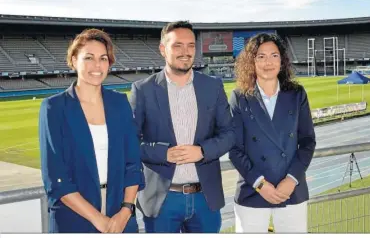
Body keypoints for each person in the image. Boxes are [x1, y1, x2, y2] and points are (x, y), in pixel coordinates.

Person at [129, 21, 235, 233]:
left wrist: (203, 151)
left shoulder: (212, 86)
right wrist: (163, 153)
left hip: (205, 198)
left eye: (190, 46)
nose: (185, 52)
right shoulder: (143, 89)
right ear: (163, 49)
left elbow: (230, 133)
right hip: (163, 200)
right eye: (177, 45)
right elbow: (131, 141)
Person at [39, 28, 144, 233]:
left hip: (121, 214)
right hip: (75, 217)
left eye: (103, 58)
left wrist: (126, 211)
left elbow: (133, 164)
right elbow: (55, 178)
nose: (97, 65)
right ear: (74, 60)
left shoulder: (119, 103)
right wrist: (99, 220)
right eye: (89, 58)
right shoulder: (54, 108)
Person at [229, 33, 316, 233]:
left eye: (274, 55)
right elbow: (234, 148)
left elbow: (308, 142)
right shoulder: (239, 97)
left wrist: (291, 179)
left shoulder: (297, 94)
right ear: (251, 62)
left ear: (282, 60)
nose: (268, 62)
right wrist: (260, 184)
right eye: (261, 56)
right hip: (252, 190)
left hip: (291, 191)